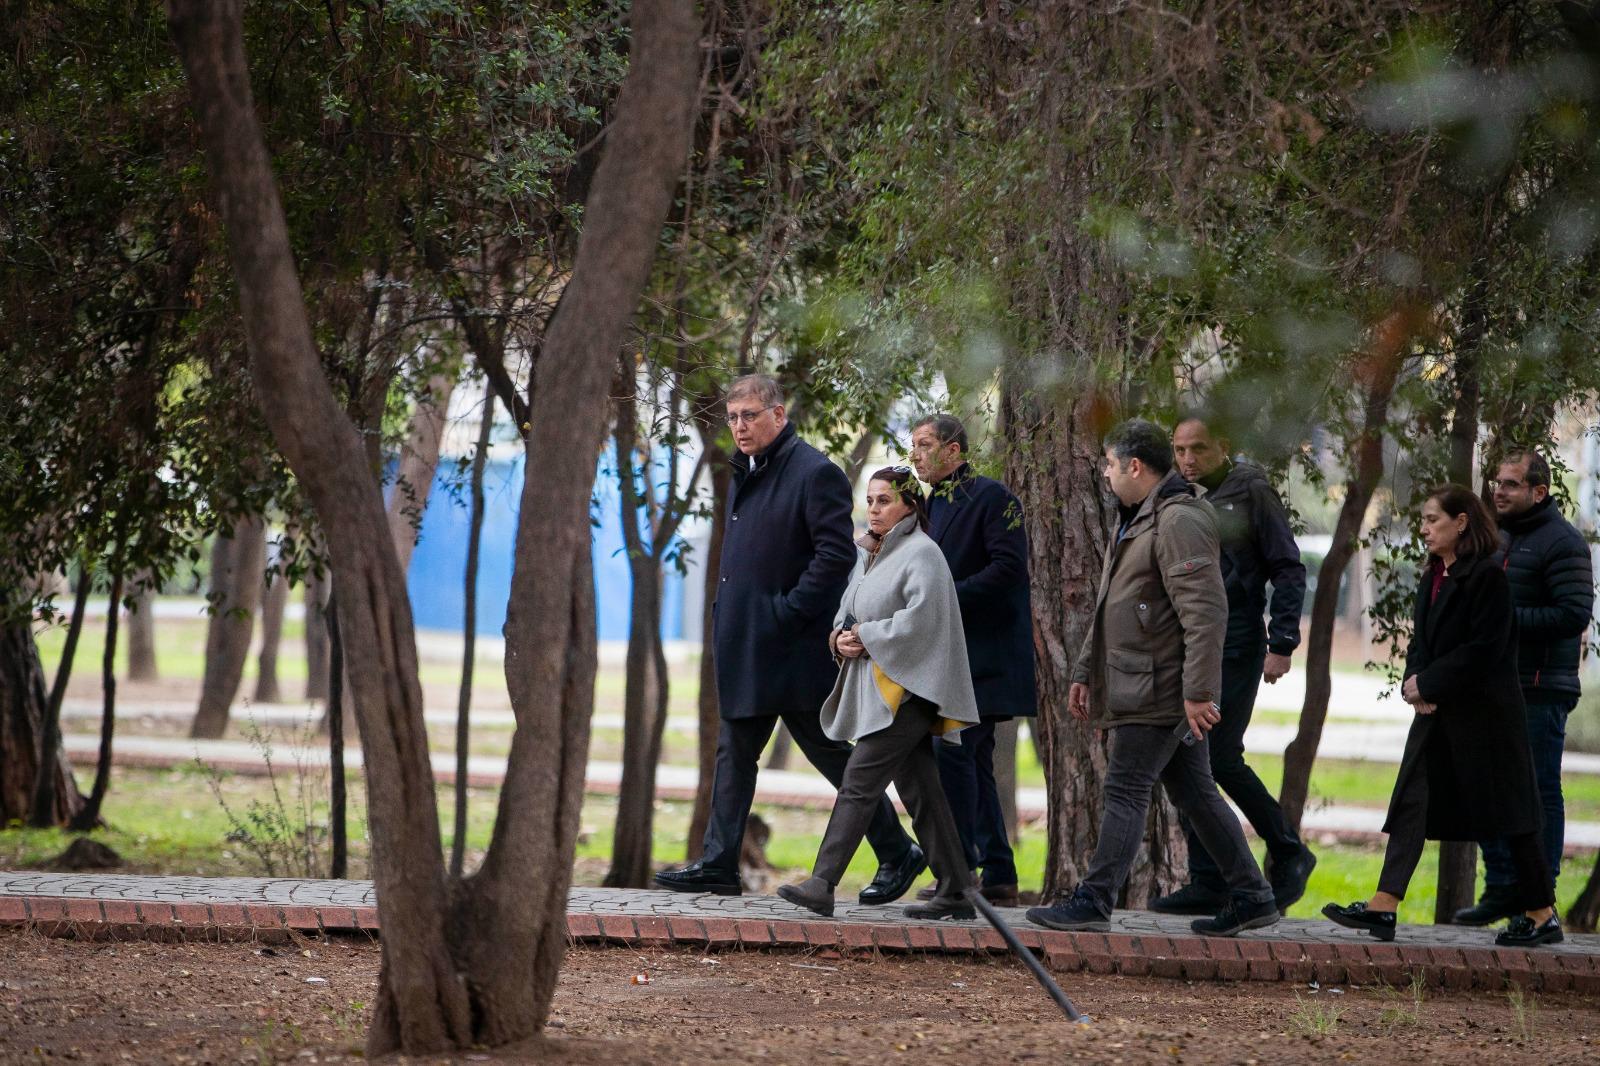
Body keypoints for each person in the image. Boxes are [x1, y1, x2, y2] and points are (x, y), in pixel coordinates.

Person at [655, 375, 922, 902]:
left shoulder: (813, 472)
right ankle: (718, 863)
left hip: (792, 650)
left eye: (750, 415)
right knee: (734, 750)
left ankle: (898, 851)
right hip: (749, 645)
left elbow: (835, 555)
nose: (739, 426)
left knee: (829, 752)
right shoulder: (745, 472)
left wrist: (786, 613)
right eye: (733, 418)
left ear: (778, 414)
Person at [1025, 419, 1280, 938]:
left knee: (1125, 788)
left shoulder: (1179, 519)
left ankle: (1095, 901)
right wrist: (1083, 673)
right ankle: (1253, 895)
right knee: (1195, 792)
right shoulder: (1142, 517)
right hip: (1145, 680)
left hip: (1160, 687)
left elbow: (1205, 614)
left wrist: (1199, 693)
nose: (1105, 472)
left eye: (1109, 464)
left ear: (1134, 466)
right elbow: (1111, 606)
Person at [1323, 485, 1561, 947]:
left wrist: (1430, 683)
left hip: (1486, 719)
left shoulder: (1487, 577)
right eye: (1424, 519)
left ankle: (1541, 913)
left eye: (1434, 520)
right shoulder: (1434, 572)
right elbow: (1422, 644)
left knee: (1512, 812)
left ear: (1462, 522)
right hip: (1438, 715)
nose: (1425, 528)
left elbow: (1486, 649)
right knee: (1411, 800)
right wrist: (1415, 682)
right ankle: (1384, 904)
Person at [778, 468, 982, 920]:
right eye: (870, 500)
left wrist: (865, 635)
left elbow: (920, 622)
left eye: (884, 500)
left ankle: (822, 882)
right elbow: (847, 611)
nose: (873, 508)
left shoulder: (923, 554)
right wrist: (839, 639)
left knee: (858, 780)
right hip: (882, 688)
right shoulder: (870, 555)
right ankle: (957, 888)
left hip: (909, 692)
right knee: (922, 790)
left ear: (909, 506)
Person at [1153, 415, 1315, 916]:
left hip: (1239, 641)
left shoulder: (1251, 492)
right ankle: (1209, 881)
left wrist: (1283, 641)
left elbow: (1288, 567)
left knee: (1219, 758)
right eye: (1179, 449)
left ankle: (1288, 850)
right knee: (1189, 759)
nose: (1187, 459)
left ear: (1223, 445)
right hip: (1189, 644)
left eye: (1197, 449)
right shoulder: (1174, 493)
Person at [1455, 451, 1594, 926]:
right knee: (1489, 787)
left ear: (1539, 491)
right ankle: (1501, 888)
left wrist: (1503, 622)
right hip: (1490, 683)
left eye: (1511, 484)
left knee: (1535, 790)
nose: (1499, 490)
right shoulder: (1494, 538)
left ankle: (1541, 898)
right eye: (1497, 482)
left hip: (1539, 686)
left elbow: (1573, 614)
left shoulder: (1564, 543)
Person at [906, 413, 1035, 908]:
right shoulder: (930, 504)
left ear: (954, 450)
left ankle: (959, 874)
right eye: (913, 445)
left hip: (985, 655)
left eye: (925, 444)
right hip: (949, 656)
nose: (915, 454)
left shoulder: (993, 497)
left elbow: (1007, 568)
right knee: (972, 761)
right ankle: (998, 872)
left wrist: (945, 597)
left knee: (954, 755)